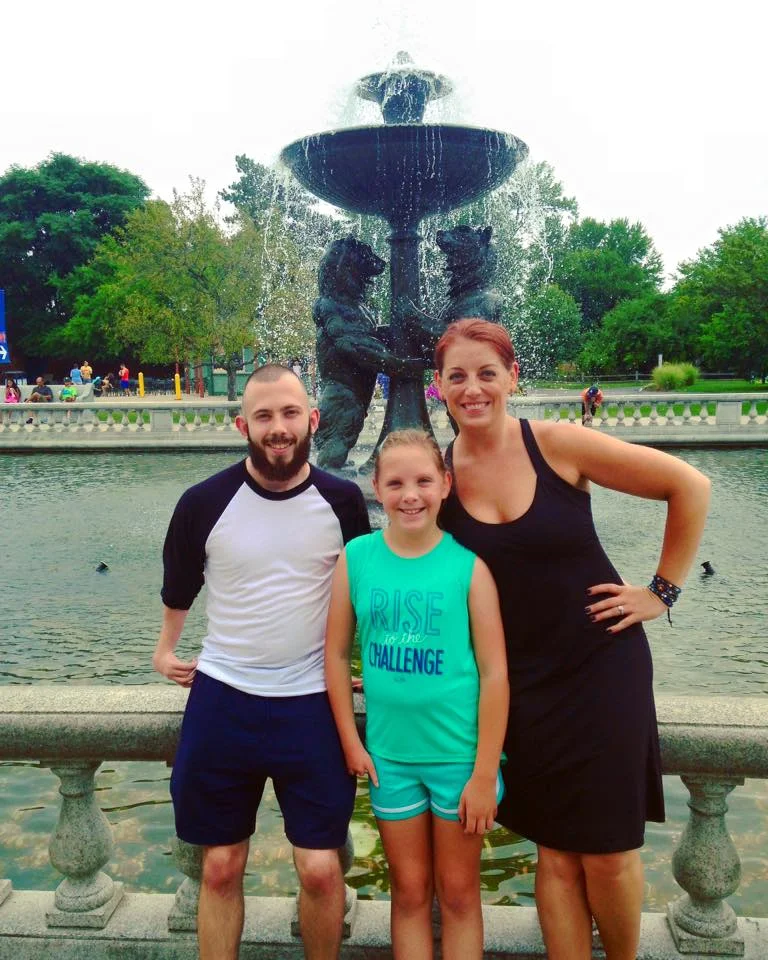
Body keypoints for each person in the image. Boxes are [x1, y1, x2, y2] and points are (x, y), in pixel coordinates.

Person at [433, 318, 710, 960]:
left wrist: (660, 592)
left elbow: (689, 486)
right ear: (438, 387)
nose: (473, 389)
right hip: (521, 685)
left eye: (487, 373)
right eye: (457, 376)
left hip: (600, 667)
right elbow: (421, 576)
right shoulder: (440, 476)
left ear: (512, 378)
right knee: (555, 853)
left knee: (609, 854)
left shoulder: (556, 444)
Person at [153, 364, 370, 960]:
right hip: (224, 699)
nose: (279, 428)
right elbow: (179, 585)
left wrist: (361, 664)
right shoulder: (203, 502)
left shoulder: (343, 500)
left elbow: (363, 592)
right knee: (220, 865)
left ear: (312, 420)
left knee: (321, 869)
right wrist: (165, 649)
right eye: (265, 416)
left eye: (290, 413)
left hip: (312, 705)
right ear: (242, 424)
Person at [325, 429, 508, 960]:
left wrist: (484, 773)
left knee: (459, 894)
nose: (411, 495)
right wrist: (351, 742)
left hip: (459, 759)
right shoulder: (357, 558)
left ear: (445, 485)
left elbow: (495, 674)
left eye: (424, 481)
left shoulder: (468, 568)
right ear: (376, 487)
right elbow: (335, 655)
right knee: (407, 893)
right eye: (396, 483)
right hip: (390, 758)